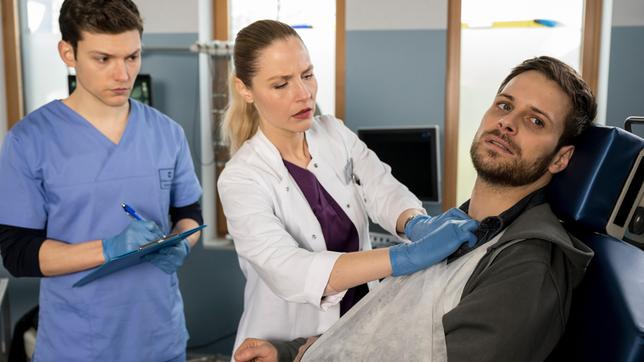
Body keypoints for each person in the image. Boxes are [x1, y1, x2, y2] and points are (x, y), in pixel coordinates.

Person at [233, 55, 597, 362]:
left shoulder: (525, 265)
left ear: (560, 158)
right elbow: (389, 326)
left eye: (535, 121)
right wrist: (292, 350)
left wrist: (411, 227)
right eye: (504, 105)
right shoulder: (463, 228)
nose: (507, 123)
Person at [217, 19, 480, 353]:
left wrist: (415, 222)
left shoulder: (333, 133)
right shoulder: (241, 178)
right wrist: (406, 257)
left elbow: (381, 186)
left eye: (307, 75)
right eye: (281, 84)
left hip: (358, 325)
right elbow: (289, 269)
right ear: (245, 89)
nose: (304, 94)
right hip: (283, 342)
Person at [0, 1, 203, 360]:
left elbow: (190, 212)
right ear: (68, 53)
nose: (123, 75)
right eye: (103, 59)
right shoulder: (29, 141)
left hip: (161, 336)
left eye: (132, 57)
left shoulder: (166, 133)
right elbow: (17, 254)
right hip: (79, 342)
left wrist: (182, 243)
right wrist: (107, 249)